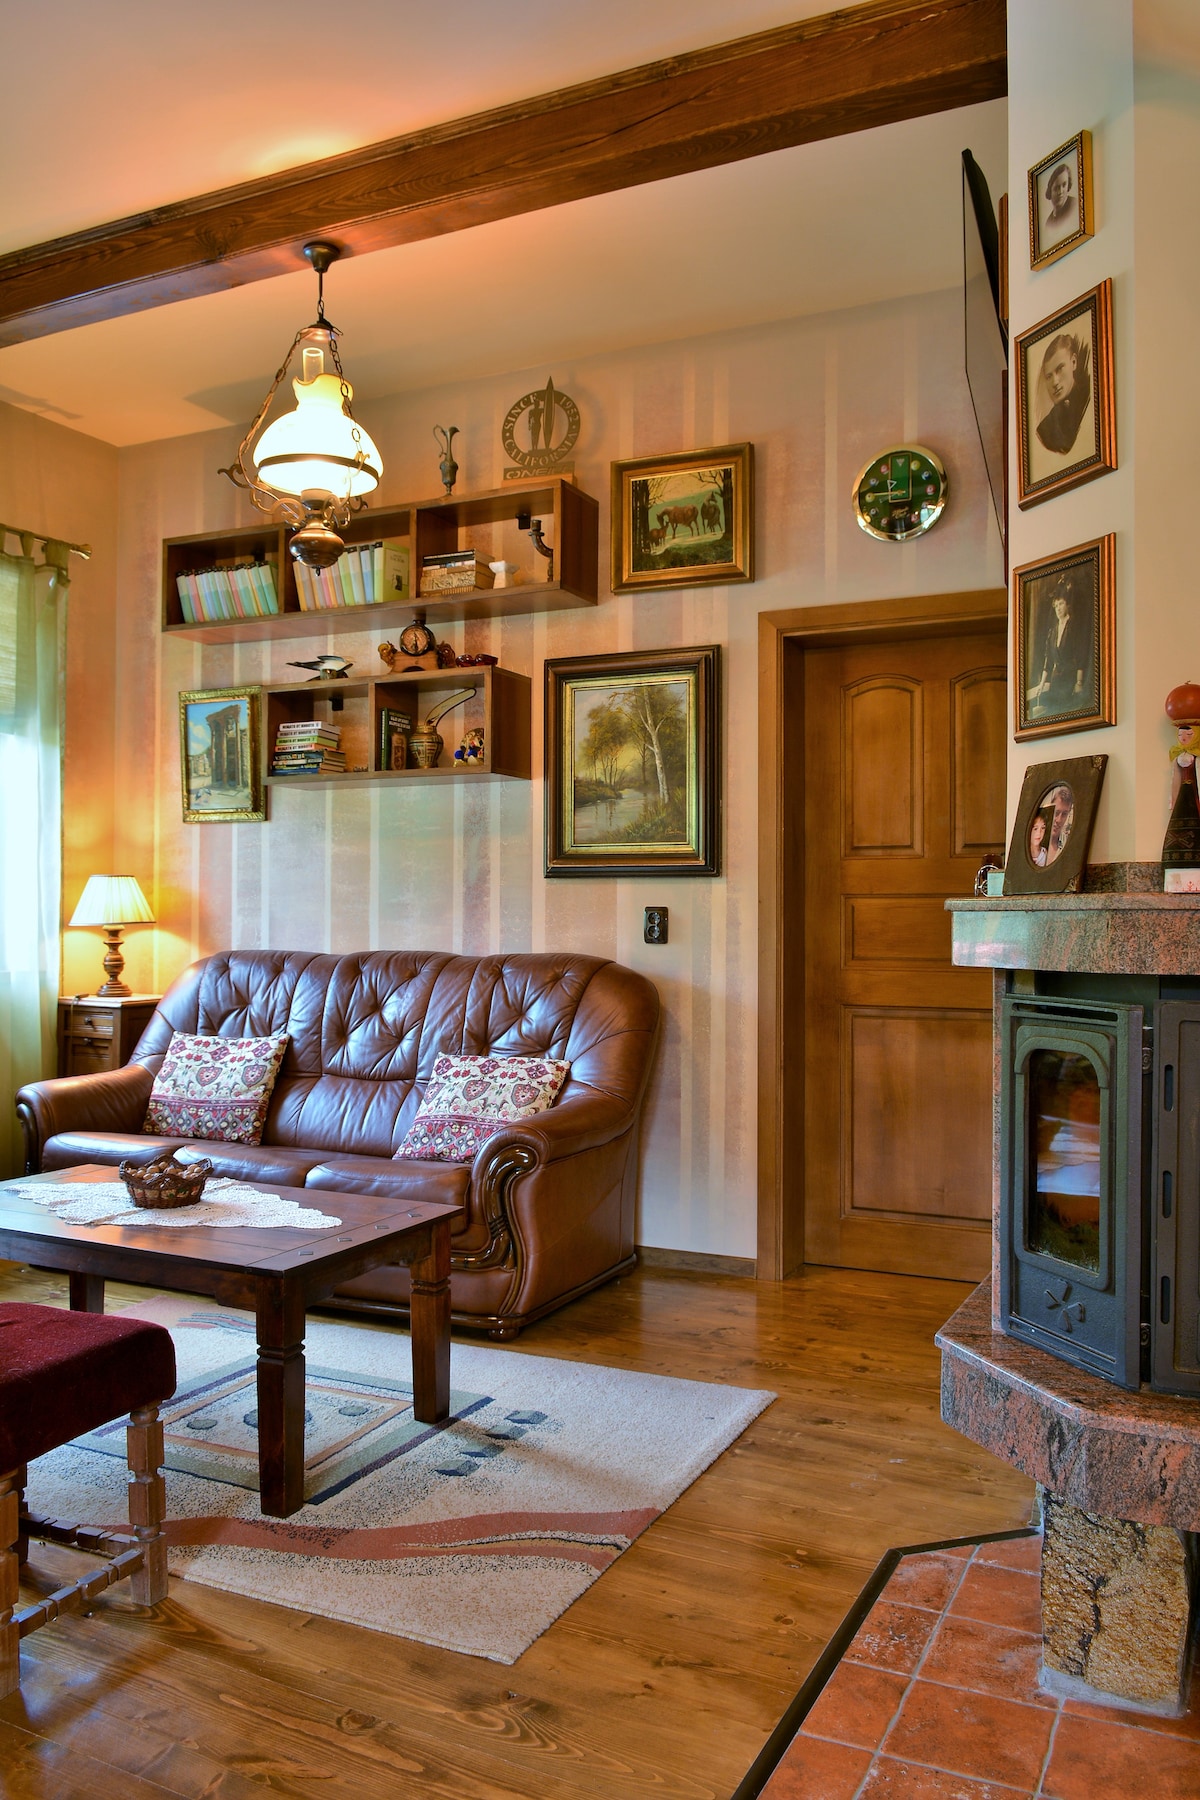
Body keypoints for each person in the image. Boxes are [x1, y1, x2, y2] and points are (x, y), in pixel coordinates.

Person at [1028, 577, 1093, 717]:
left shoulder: (1074, 627)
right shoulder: (1053, 631)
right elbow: (1049, 661)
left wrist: (1079, 682)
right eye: (1056, 605)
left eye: (1061, 604)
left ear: (1067, 605)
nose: (1058, 608)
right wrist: (1041, 684)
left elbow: (1081, 656)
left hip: (1070, 679)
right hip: (1056, 681)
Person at [1035, 331, 1091, 456]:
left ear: (1074, 362)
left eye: (1060, 369)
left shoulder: (1092, 400)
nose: (1055, 382)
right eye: (1049, 376)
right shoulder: (1044, 430)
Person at [1043, 161, 1077, 236]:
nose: (1060, 192)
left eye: (1064, 185)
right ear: (1050, 192)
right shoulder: (1049, 223)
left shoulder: (1075, 206)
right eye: (1056, 188)